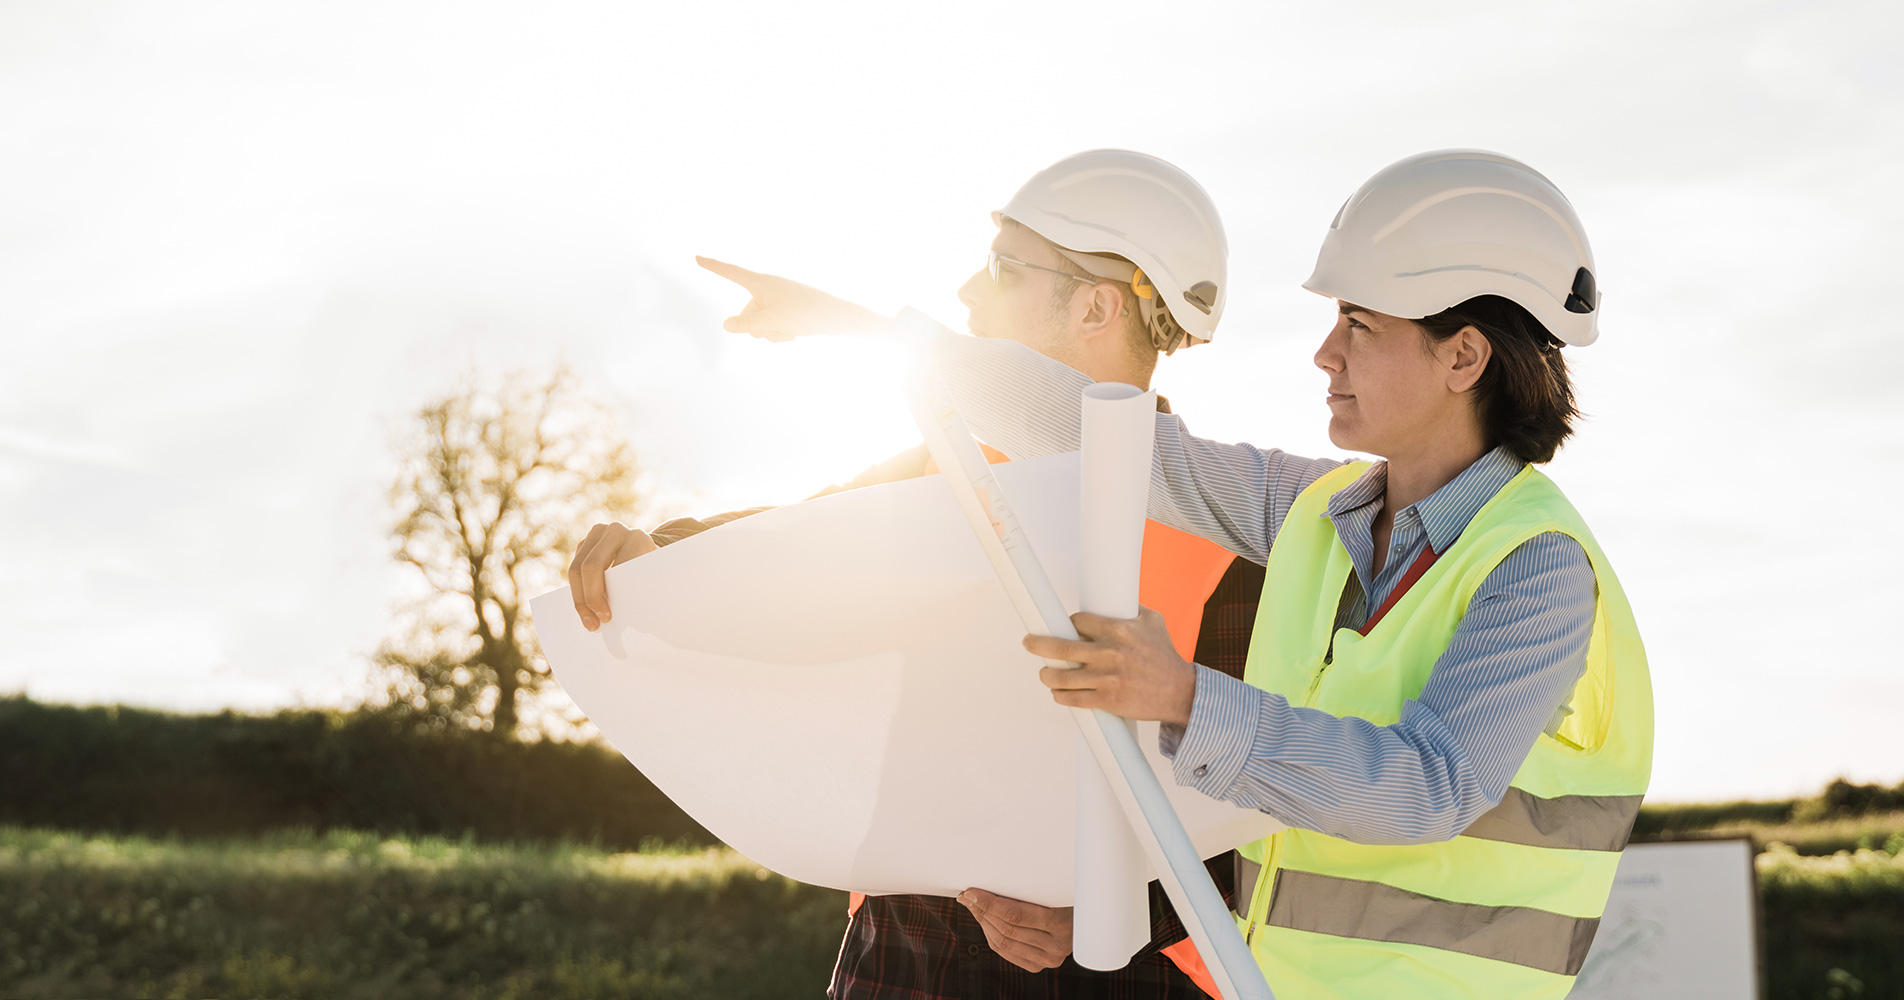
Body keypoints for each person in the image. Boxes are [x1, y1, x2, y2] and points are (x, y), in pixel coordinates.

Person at [706, 149, 1654, 1000]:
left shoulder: (1538, 570)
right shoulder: (1317, 510)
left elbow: (1432, 787)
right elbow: (1110, 444)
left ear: (1463, 355)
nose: (1325, 354)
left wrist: (1184, 697)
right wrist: (862, 330)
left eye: (1359, 327)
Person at [571, 150, 1266, 998]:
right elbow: (788, 547)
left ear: (1097, 305)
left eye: (1005, 269)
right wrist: (660, 552)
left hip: (1128, 968)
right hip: (913, 945)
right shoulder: (936, 472)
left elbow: (1266, 808)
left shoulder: (1239, 551)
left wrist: (1116, 910)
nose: (970, 294)